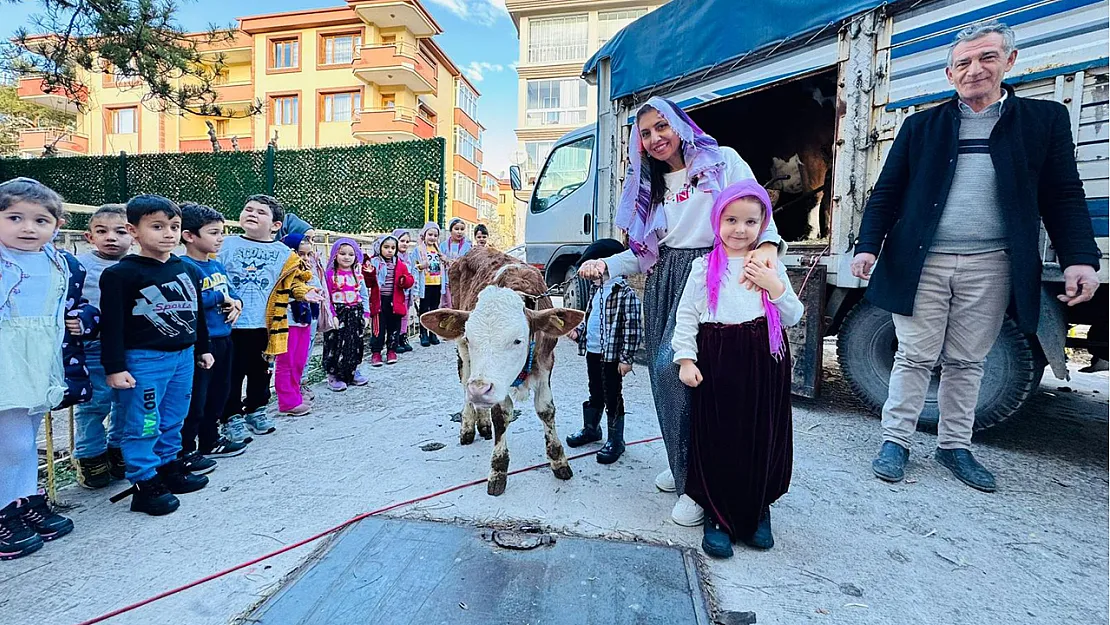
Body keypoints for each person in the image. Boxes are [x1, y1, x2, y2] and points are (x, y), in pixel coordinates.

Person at [851, 21, 1101, 492]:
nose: (974, 70)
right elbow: (886, 192)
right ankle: (896, 440)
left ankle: (954, 446)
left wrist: (1080, 257)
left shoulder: (1043, 121)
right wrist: (868, 246)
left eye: (987, 58)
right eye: (963, 62)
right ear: (950, 75)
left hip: (992, 263)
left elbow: (1063, 194)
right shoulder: (920, 126)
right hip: (921, 262)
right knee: (915, 355)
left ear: (1009, 61)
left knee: (968, 360)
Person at [577, 97, 783, 527]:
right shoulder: (648, 189)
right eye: (645, 133)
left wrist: (765, 248)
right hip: (668, 276)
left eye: (660, 127)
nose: (655, 139)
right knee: (664, 375)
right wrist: (606, 264)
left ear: (679, 124)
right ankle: (683, 464)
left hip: (717, 269)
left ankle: (699, 482)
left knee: (703, 376)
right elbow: (642, 255)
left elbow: (756, 212)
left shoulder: (721, 161)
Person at [673, 181, 803, 557]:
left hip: (764, 359)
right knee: (717, 435)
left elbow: (793, 315)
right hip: (717, 359)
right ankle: (718, 514)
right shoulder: (702, 267)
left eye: (750, 221)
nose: (740, 229)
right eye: (731, 219)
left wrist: (773, 285)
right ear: (717, 221)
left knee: (761, 434)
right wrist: (685, 358)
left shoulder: (767, 264)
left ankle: (757, 509)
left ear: (763, 225)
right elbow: (687, 318)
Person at [99, 195, 212, 516]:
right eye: (157, 226)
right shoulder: (122, 274)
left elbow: (197, 313)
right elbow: (112, 325)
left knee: (175, 416)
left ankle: (168, 465)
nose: (168, 234)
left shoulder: (186, 269)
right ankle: (144, 481)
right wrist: (115, 367)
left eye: (174, 227)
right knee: (145, 421)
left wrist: (202, 348)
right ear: (132, 231)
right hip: (144, 361)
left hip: (183, 358)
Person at [0, 178, 75, 559]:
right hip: (5, 359)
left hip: (40, 355)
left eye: (40, 221)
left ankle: (23, 499)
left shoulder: (54, 259)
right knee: (10, 441)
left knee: (26, 437)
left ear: (56, 225)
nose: (28, 228)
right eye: (15, 217)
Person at [218, 195, 322, 442]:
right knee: (232, 374)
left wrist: (304, 292)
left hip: (267, 325)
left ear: (276, 225)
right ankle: (230, 417)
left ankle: (256, 410)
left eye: (261, 212)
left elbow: (295, 281)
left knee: (261, 372)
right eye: (248, 209)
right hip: (231, 325)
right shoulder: (226, 245)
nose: (252, 214)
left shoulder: (284, 253)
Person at [179, 203, 248, 470]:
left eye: (222, 232)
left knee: (220, 393)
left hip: (225, 338)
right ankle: (186, 449)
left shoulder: (217, 266)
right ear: (189, 235)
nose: (220, 238)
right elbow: (191, 300)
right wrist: (221, 297)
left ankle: (210, 440)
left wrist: (237, 304)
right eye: (214, 232)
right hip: (201, 343)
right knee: (197, 398)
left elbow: (233, 292)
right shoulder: (184, 266)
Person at [565, 239, 642, 464]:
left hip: (612, 356)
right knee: (595, 391)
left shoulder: (625, 293)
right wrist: (579, 331)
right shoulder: (596, 291)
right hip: (594, 351)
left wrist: (626, 359)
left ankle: (616, 440)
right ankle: (591, 429)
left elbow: (632, 328)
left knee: (613, 395)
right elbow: (589, 315)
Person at [74, 204, 131, 488]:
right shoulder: (80, 266)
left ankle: (117, 449)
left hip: (130, 346)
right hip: (94, 346)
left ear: (132, 234)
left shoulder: (136, 264)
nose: (111, 237)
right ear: (89, 236)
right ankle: (90, 457)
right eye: (102, 231)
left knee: (126, 402)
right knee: (95, 402)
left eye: (120, 231)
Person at [275, 233, 320, 415]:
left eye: (308, 255)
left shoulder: (308, 273)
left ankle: (295, 394)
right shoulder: (283, 272)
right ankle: (286, 400)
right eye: (300, 254)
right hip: (288, 321)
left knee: (300, 360)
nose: (305, 258)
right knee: (287, 361)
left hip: (304, 320)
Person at [323, 238, 372, 391]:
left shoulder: (358, 274)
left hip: (355, 314)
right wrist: (332, 315)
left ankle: (352, 371)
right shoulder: (330, 274)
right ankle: (333, 375)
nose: (346, 257)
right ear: (335, 255)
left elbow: (363, 295)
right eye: (342, 253)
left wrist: (366, 313)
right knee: (335, 344)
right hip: (339, 314)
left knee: (355, 343)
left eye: (351, 254)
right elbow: (326, 297)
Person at [369, 234, 415, 367]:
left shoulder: (400, 264)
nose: (390, 250)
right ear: (379, 248)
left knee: (394, 327)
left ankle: (391, 351)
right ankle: (376, 352)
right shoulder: (373, 263)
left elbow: (410, 279)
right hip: (379, 301)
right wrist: (368, 273)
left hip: (395, 301)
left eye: (393, 248)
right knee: (378, 328)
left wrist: (404, 281)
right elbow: (368, 282)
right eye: (386, 247)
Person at [414, 221, 446, 347]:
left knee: (434, 309)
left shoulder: (438, 250)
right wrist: (421, 266)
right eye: (430, 234)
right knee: (424, 309)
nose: (432, 237)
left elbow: (443, 265)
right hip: (425, 284)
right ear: (424, 235)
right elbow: (414, 266)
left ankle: (433, 332)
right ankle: (423, 333)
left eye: (435, 235)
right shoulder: (419, 249)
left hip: (436, 283)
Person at [392, 228, 417, 353]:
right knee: (396, 317)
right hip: (397, 293)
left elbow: (413, 273)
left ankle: (403, 337)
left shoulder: (409, 257)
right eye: (402, 241)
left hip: (407, 293)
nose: (404, 244)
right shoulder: (393, 257)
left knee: (405, 316)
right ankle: (394, 339)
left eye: (407, 241)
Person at [441, 218, 472, 308]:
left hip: (460, 280)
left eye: (462, 229)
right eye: (456, 229)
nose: (459, 232)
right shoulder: (443, 245)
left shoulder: (467, 246)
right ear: (451, 230)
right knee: (447, 303)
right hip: (447, 279)